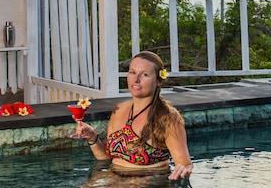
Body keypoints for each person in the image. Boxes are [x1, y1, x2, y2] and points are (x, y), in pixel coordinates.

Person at [70, 51, 193, 180]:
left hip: (148, 184)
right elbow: (107, 159)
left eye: (144, 74)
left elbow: (185, 164)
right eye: (132, 72)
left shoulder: (168, 119)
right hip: (112, 178)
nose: (136, 80)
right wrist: (92, 138)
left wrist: (183, 170)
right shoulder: (119, 110)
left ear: (158, 80)